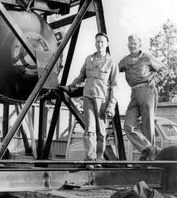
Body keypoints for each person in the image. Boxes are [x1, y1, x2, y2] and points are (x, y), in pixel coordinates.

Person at [60, 32, 119, 162]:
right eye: (97, 42)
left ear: (107, 44)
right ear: (95, 43)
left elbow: (114, 86)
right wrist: (70, 87)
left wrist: (111, 106)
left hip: (102, 99)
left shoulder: (111, 63)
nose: (99, 44)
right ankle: (90, 158)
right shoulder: (89, 59)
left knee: (101, 131)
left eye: (102, 42)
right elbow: (81, 76)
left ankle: (98, 158)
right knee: (89, 129)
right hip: (88, 97)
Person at [119, 34, 168, 161]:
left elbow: (164, 68)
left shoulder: (147, 57)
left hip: (147, 90)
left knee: (147, 124)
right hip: (134, 93)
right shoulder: (125, 60)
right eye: (130, 43)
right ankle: (149, 148)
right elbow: (114, 69)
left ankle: (147, 157)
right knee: (128, 125)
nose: (132, 45)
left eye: (134, 43)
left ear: (140, 45)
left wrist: (156, 80)